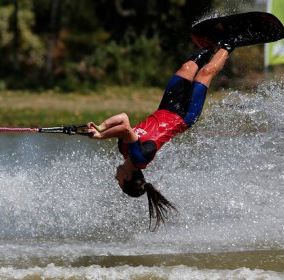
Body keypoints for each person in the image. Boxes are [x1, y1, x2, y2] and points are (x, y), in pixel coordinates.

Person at [87, 42, 234, 231]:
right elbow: (125, 128)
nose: (116, 179)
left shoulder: (124, 150)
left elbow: (123, 117)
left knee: (187, 67)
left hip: (166, 108)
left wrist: (101, 127)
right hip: (184, 116)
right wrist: (100, 136)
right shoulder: (140, 157)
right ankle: (230, 42)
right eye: (120, 183)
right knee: (205, 73)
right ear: (128, 178)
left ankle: (211, 45)